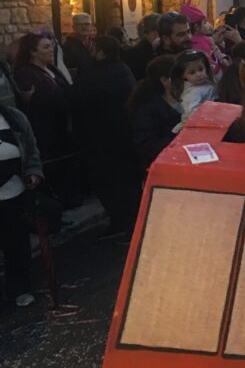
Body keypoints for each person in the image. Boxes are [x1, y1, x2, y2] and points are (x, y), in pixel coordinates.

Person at [72, 35, 140, 235]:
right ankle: (131, 222)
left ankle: (123, 224)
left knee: (110, 183)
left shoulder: (96, 74)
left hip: (102, 139)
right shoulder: (123, 69)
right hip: (122, 134)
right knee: (127, 182)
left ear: (101, 53)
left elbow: (77, 98)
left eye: (94, 49)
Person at [13, 33, 77, 206]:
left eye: (51, 46)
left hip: (61, 127)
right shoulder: (26, 73)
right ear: (33, 52)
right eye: (46, 47)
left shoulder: (52, 69)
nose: (51, 50)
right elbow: (39, 100)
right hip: (44, 129)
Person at [0, 104, 45, 308]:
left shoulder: (13, 117)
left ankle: (20, 287)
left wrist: (34, 172)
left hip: (14, 192)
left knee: (16, 244)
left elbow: (31, 149)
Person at [129, 55, 181, 173]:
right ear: (165, 80)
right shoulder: (147, 111)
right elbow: (148, 145)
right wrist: (182, 141)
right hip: (163, 169)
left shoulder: (191, 100)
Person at [170, 50, 216, 133]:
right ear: (183, 75)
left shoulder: (206, 83)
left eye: (200, 69)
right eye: (192, 72)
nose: (198, 74)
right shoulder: (192, 92)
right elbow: (193, 113)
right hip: (199, 126)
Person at [122, 13, 161, 80]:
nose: (158, 35)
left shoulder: (163, 49)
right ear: (145, 33)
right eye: (154, 31)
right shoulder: (133, 54)